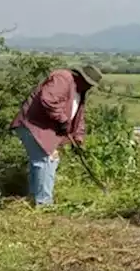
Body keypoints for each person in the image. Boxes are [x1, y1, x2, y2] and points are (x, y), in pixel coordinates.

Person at [9, 65, 103, 206]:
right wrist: (63, 120)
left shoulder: (79, 91)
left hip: (43, 130)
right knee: (46, 160)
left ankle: (35, 200)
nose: (90, 87)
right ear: (82, 78)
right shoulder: (63, 78)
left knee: (45, 161)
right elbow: (48, 100)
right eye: (89, 83)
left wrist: (78, 137)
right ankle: (44, 203)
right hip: (33, 125)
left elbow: (78, 118)